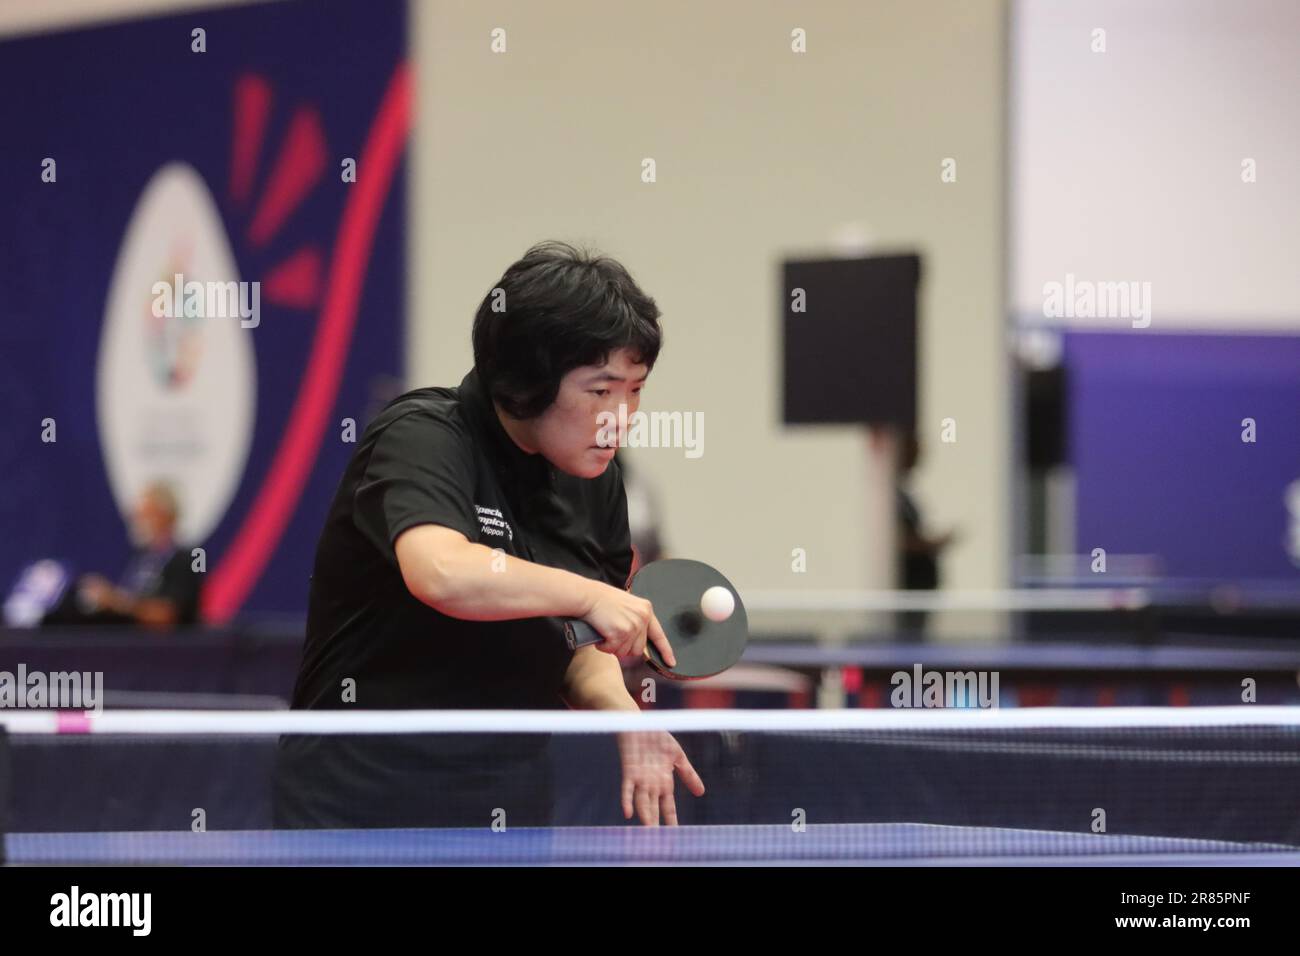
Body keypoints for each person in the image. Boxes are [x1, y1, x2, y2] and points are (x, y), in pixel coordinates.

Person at [273, 241, 704, 829]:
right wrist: (592, 594)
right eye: (601, 391)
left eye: (635, 390)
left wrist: (624, 715)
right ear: (529, 379)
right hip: (361, 802)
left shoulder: (596, 481)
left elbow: (577, 646)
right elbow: (441, 572)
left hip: (506, 802)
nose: (620, 417)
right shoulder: (423, 436)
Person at [45, 480, 202, 631]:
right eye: (138, 515)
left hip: (165, 650)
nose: (138, 520)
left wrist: (114, 600)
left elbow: (167, 616)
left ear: (166, 516)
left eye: (146, 514)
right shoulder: (142, 556)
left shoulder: (190, 557)